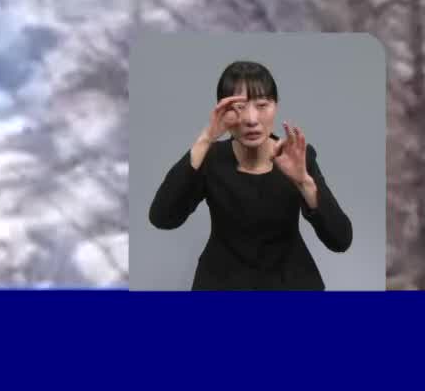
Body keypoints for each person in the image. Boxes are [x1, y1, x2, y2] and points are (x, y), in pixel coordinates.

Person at [147, 60, 353, 289]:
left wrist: (303, 182)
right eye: (238, 108)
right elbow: (162, 217)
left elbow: (340, 239)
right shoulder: (211, 158)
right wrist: (206, 139)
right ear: (221, 111)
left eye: (262, 105)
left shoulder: (296, 156)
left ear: (276, 106)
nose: (251, 119)